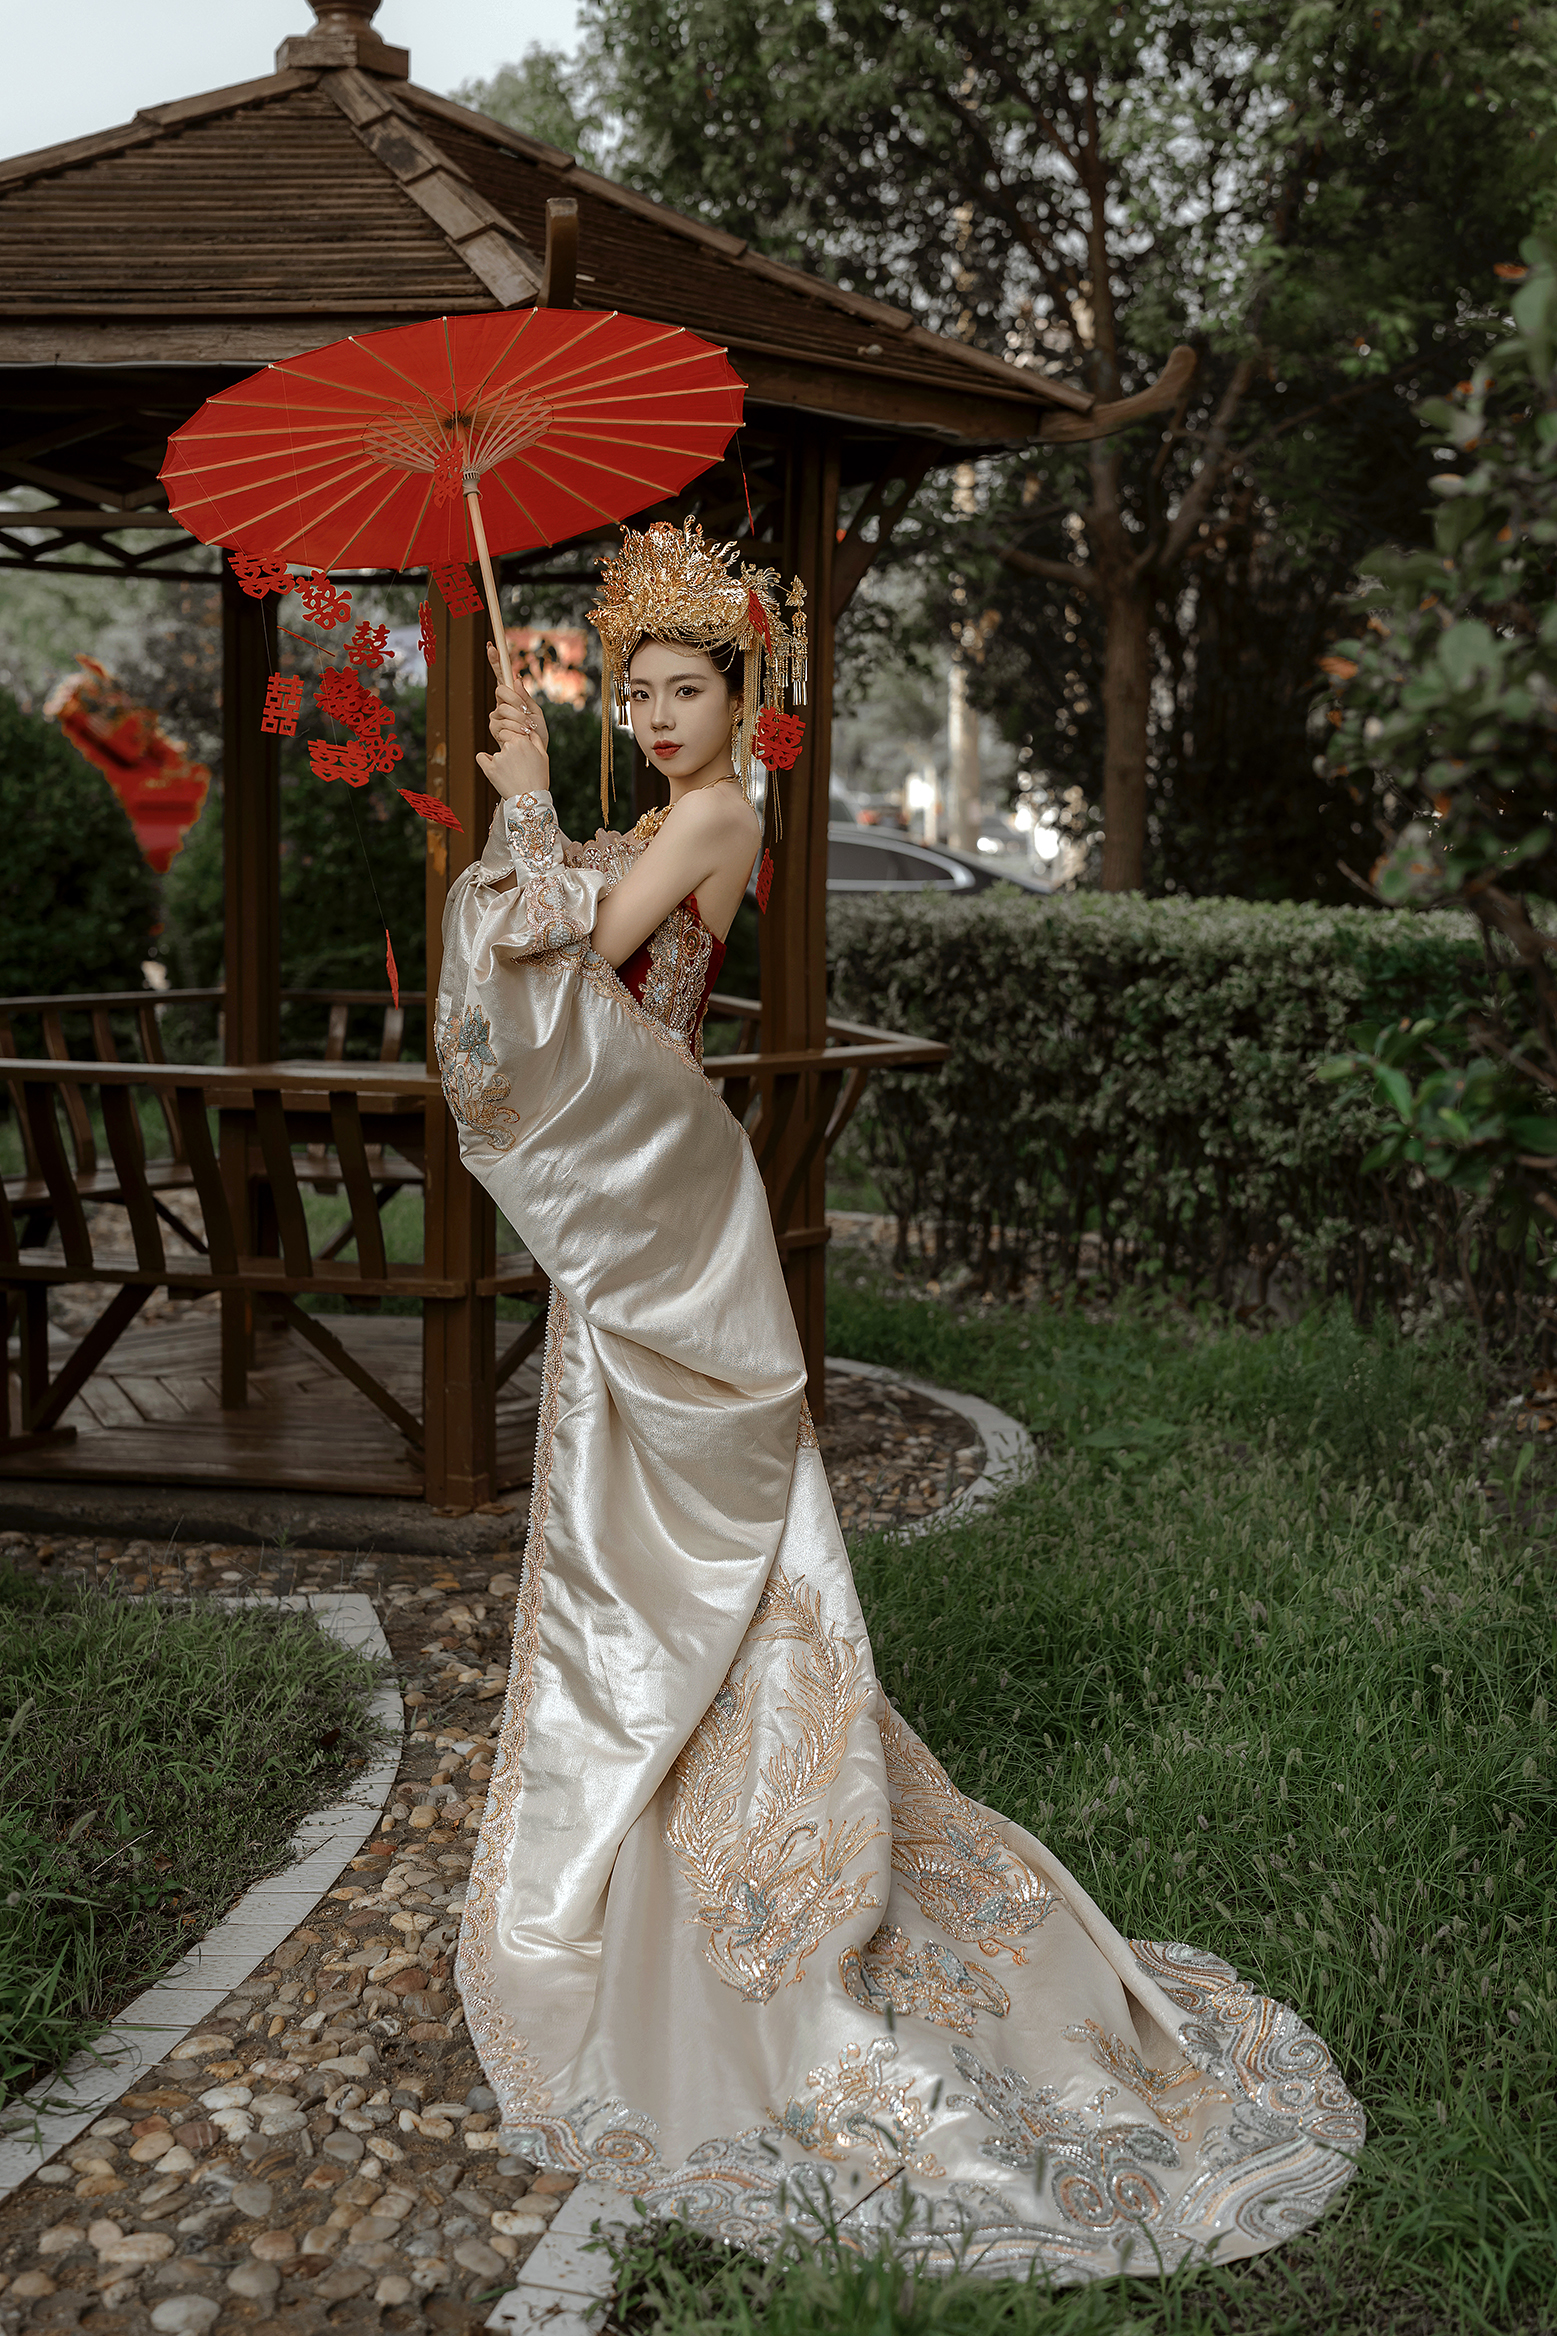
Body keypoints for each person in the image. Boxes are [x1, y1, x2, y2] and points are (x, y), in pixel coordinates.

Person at [439, 519, 1361, 2280]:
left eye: (683, 689)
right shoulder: (656, 812)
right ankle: (674, 1810)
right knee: (637, 1526)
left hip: (665, 1206)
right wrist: (532, 801)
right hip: (643, 1197)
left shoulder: (714, 817)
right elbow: (554, 961)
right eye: (635, 693)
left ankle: (741, 1837)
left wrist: (530, 799)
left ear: (743, 699)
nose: (656, 717)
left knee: (703, 1529)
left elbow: (576, 953)